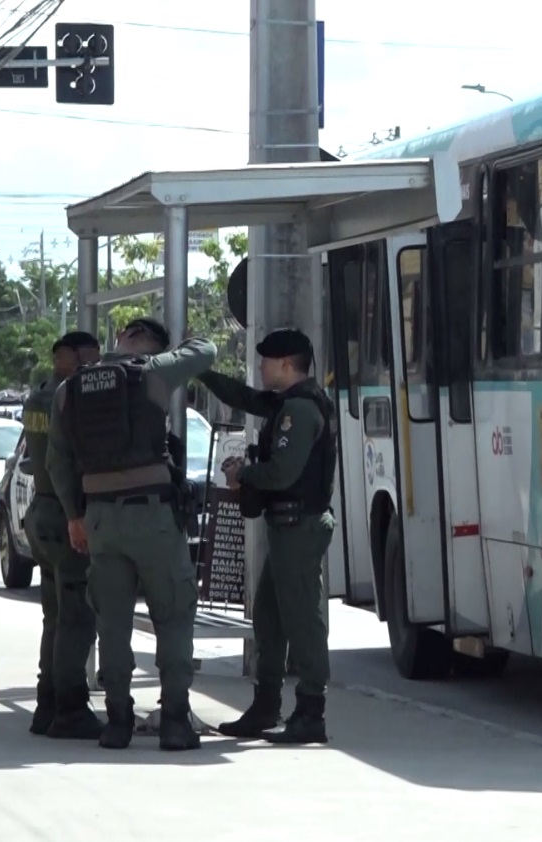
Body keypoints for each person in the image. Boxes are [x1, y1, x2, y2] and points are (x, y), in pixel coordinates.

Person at [45, 317, 217, 751]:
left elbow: (57, 463)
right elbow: (207, 349)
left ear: (118, 338)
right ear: (150, 347)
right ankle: (175, 721)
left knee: (112, 622)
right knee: (174, 616)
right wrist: (165, 354)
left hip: (100, 519)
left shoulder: (70, 390)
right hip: (153, 516)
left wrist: (74, 516)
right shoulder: (154, 372)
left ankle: (117, 722)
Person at [197, 328, 337, 745]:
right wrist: (200, 371)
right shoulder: (287, 402)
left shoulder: (300, 409)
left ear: (285, 365)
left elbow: (282, 472)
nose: (260, 367)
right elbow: (243, 397)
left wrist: (244, 473)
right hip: (285, 527)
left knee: (302, 622)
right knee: (270, 621)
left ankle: (311, 711)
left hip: (300, 527)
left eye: (266, 361)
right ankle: (266, 706)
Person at [22, 330, 103, 739]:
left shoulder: (37, 396)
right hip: (67, 512)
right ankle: (70, 707)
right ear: (68, 356)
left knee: (53, 618)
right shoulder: (71, 397)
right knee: (75, 617)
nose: (96, 363)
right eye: (89, 356)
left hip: (42, 511)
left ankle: (47, 703)